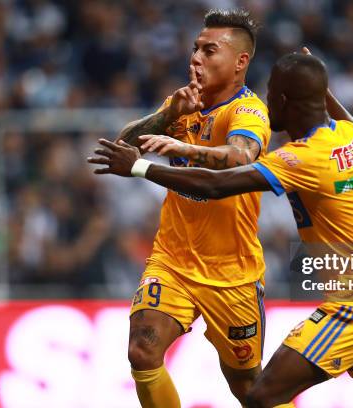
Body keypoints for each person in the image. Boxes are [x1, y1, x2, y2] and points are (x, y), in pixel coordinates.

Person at [89, 51, 353, 407]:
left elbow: (217, 186)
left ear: (284, 101)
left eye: (271, 92)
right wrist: (321, 86)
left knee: (260, 397)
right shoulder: (350, 135)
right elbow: (349, 120)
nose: (265, 98)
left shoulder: (302, 157)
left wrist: (141, 168)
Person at [99, 8, 279, 408]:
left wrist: (185, 148)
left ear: (240, 62)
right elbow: (124, 147)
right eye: (195, 49)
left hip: (231, 275)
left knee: (250, 390)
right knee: (142, 351)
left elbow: (238, 158)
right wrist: (167, 115)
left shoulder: (248, 112)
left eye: (209, 51)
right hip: (172, 261)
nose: (196, 58)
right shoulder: (183, 104)